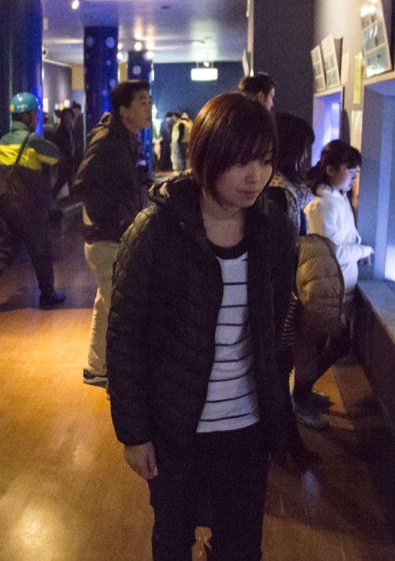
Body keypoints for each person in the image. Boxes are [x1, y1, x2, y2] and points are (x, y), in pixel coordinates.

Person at [107, 92, 294, 561]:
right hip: (177, 427)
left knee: (241, 545)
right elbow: (125, 339)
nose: (256, 176)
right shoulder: (156, 232)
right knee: (172, 540)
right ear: (205, 157)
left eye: (266, 161)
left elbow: (273, 327)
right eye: (241, 161)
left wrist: (276, 412)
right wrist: (134, 433)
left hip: (247, 428)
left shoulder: (272, 226)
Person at [73, 80, 151, 388]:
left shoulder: (125, 138)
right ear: (124, 109)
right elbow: (83, 183)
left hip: (112, 235)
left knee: (106, 303)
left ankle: (97, 367)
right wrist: (116, 216)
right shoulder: (107, 140)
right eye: (142, 101)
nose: (148, 107)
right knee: (117, 305)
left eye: (149, 100)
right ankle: (114, 371)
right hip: (106, 237)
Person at [263, 113, 328, 454]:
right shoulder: (278, 192)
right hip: (279, 295)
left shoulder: (286, 189)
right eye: (305, 148)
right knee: (277, 369)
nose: (307, 156)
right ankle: (285, 444)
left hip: (283, 292)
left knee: (280, 367)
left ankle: (285, 441)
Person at [300, 140, 372, 425]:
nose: (354, 175)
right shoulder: (322, 205)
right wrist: (364, 251)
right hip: (326, 289)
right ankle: (299, 398)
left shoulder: (337, 198)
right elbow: (331, 251)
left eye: (356, 170)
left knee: (323, 344)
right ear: (330, 169)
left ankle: (302, 394)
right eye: (350, 169)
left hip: (338, 287)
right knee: (321, 344)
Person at [0, 92, 66, 314]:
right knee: (41, 249)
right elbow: (56, 158)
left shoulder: (3, 141)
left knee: (1, 250)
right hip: (28, 206)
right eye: (35, 115)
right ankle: (47, 294)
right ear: (26, 117)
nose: (37, 119)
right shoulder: (34, 141)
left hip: (3, 204)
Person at [51, 107, 77, 199]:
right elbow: (57, 145)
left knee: (66, 179)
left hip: (70, 158)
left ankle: (71, 197)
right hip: (65, 159)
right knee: (63, 179)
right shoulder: (61, 131)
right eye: (66, 116)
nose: (68, 118)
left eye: (70, 116)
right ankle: (53, 196)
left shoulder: (71, 130)